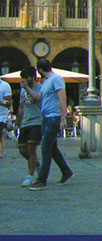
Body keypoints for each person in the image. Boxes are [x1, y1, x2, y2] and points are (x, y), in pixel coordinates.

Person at [28, 59, 73, 191]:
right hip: (47, 117)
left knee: (45, 147)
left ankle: (42, 180)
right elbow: (38, 97)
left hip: (54, 117)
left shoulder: (56, 79)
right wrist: (26, 88)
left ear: (40, 70)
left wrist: (62, 118)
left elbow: (62, 98)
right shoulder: (46, 82)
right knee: (52, 148)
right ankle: (66, 172)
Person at [17, 66, 42, 187]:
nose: (25, 80)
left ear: (34, 77)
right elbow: (21, 106)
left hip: (36, 122)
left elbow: (37, 98)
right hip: (25, 123)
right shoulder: (22, 90)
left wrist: (26, 88)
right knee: (22, 149)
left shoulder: (40, 88)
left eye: (27, 77)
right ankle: (36, 164)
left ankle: (30, 176)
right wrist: (18, 121)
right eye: (23, 78)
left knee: (32, 149)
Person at [0, 76, 12, 159]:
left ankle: (0, 153)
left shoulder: (5, 86)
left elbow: (8, 102)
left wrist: (2, 103)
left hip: (1, 115)